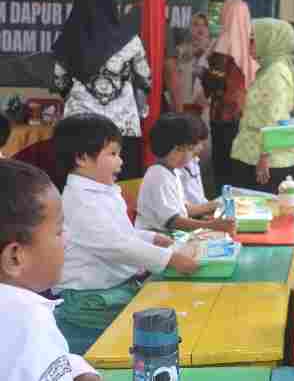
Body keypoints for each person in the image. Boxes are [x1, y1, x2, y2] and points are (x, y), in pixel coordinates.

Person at [51, 114, 198, 354]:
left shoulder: (103, 190)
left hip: (111, 290)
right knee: (107, 353)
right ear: (82, 158)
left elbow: (120, 233)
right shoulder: (80, 200)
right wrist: (170, 258)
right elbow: (115, 245)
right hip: (91, 301)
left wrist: (149, 238)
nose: (120, 161)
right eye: (112, 154)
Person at [0, 159, 100, 381]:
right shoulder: (27, 317)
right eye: (58, 231)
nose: (66, 239)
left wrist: (76, 368)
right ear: (15, 257)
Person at [52, 0, 150, 181]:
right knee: (123, 182)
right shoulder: (130, 41)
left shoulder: (68, 41)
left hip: (79, 126)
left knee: (79, 179)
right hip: (123, 126)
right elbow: (144, 78)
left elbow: (60, 81)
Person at [230, 18, 294, 193]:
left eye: (253, 39)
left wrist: (264, 158)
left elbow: (274, 120)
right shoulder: (269, 69)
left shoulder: (276, 73)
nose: (249, 44)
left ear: (270, 40)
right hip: (253, 153)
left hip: (266, 161)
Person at [136, 114, 235, 234]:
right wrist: (210, 225)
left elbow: (184, 209)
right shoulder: (158, 175)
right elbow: (174, 221)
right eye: (179, 149)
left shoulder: (172, 172)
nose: (186, 155)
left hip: (171, 235)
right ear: (162, 146)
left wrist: (216, 207)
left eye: (189, 149)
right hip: (156, 238)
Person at [202, 0, 259, 193]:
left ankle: (223, 205)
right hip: (246, 112)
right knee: (240, 163)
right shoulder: (253, 42)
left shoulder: (223, 42)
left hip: (223, 114)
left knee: (223, 164)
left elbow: (212, 83)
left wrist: (202, 73)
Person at [121, 0, 183, 113]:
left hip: (121, 104)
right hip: (152, 101)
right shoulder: (160, 25)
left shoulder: (117, 24)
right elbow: (170, 71)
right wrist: (180, 113)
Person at [181, 114, 210, 205]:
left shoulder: (194, 161)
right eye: (199, 143)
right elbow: (186, 205)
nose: (202, 147)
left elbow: (200, 197)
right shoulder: (179, 167)